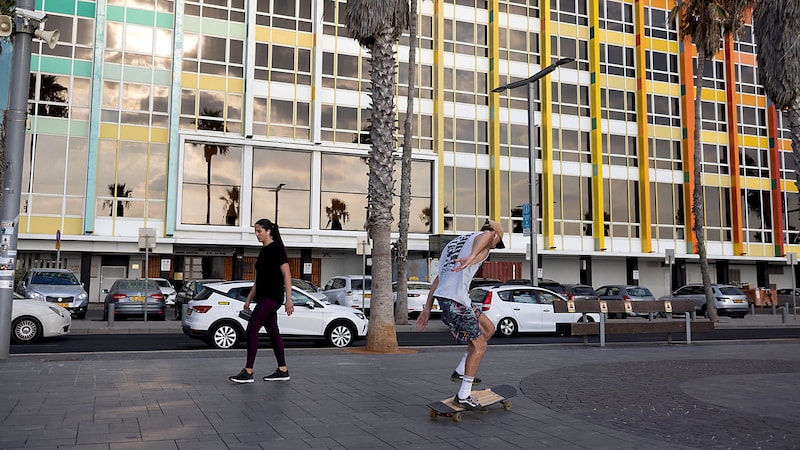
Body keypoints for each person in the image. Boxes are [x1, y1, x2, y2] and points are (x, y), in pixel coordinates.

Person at [416, 219, 505, 412]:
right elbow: (488, 236)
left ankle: (460, 371)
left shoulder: (454, 244)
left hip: (454, 297)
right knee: (480, 345)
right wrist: (474, 254)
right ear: (496, 235)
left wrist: (427, 308)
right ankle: (464, 395)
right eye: (497, 243)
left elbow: (439, 278)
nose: (493, 247)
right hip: (455, 300)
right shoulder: (486, 238)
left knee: (489, 328)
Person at [230, 218, 295, 383]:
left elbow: (287, 274)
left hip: (273, 297)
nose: (257, 234)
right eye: (255, 231)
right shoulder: (264, 251)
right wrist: (249, 299)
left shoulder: (277, 249)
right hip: (263, 297)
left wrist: (289, 299)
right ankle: (283, 370)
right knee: (273, 332)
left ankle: (248, 371)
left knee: (252, 329)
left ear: (268, 231)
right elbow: (260, 280)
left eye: (259, 231)